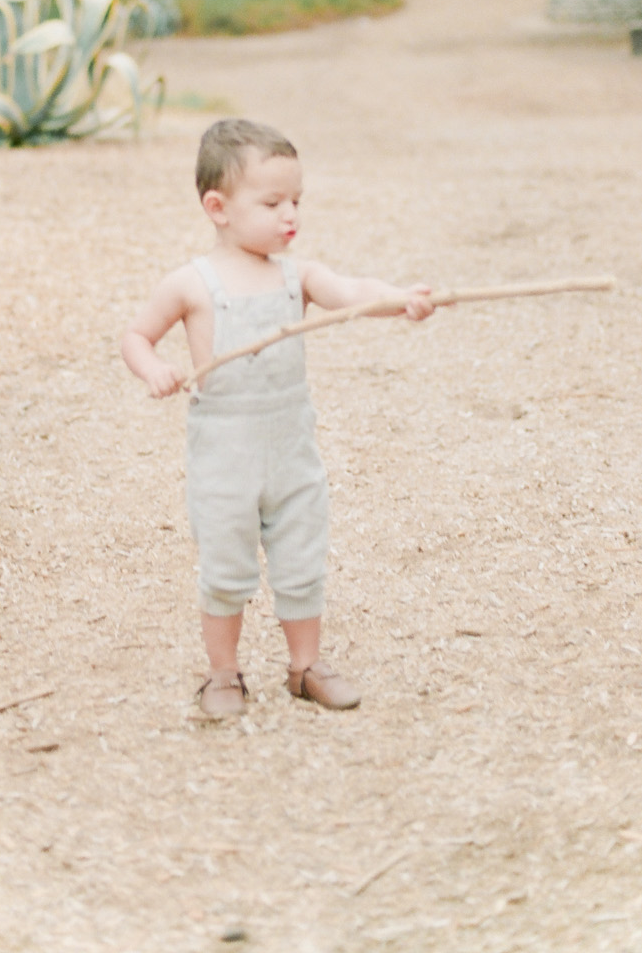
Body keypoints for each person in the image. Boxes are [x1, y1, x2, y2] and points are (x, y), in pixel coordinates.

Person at [121, 118, 435, 719]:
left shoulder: (299, 276)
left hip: (291, 451)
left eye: (296, 201)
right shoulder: (192, 284)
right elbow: (137, 335)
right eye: (272, 203)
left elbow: (353, 291)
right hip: (225, 456)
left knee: (300, 555)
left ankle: (305, 667)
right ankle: (223, 674)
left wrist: (399, 300)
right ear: (218, 207)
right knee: (226, 563)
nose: (290, 215)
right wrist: (153, 369)